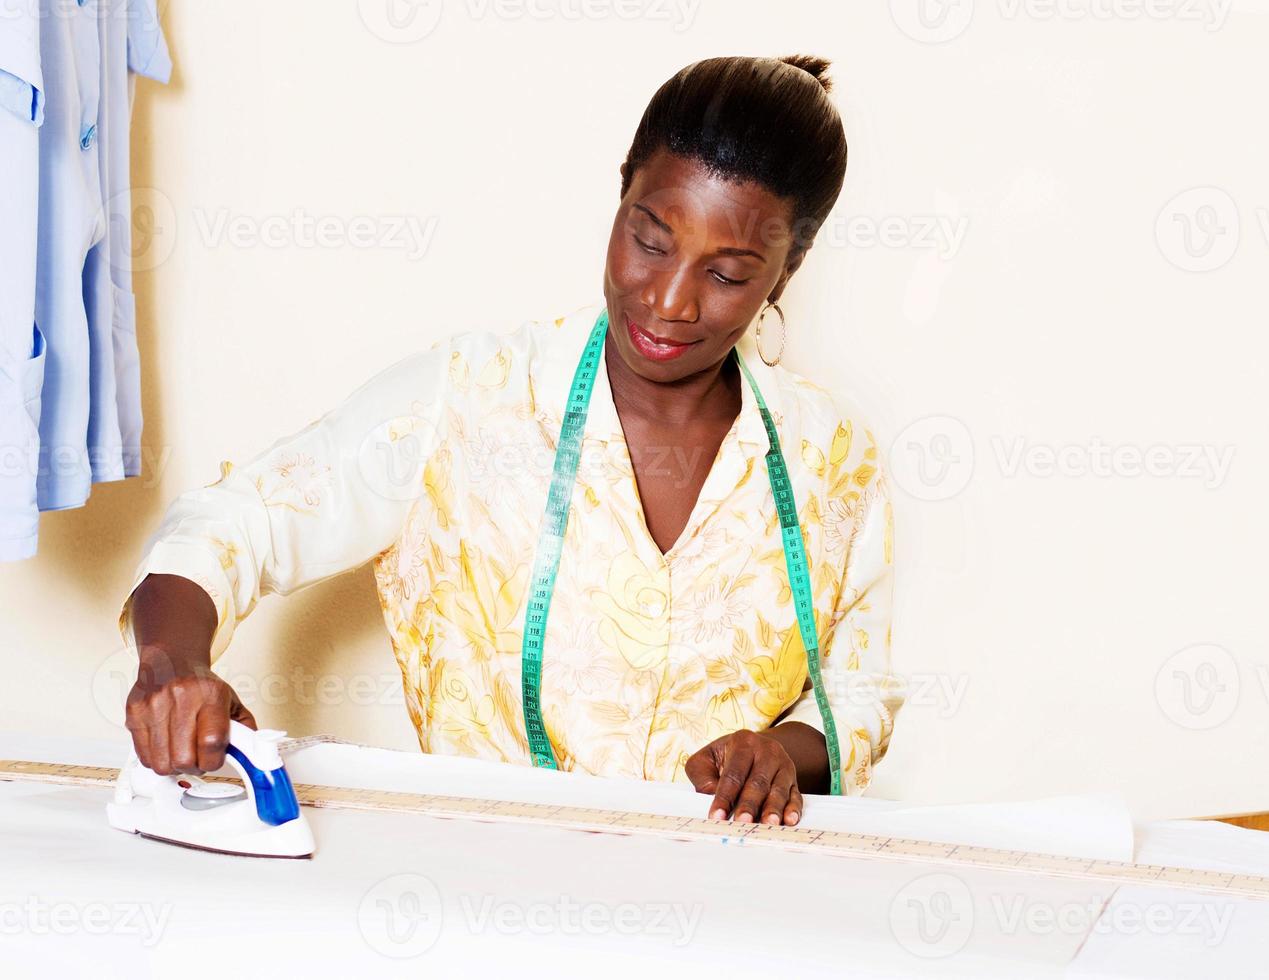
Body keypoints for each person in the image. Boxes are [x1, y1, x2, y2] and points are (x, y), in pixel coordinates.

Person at [119, 54, 904, 828]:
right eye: (650, 239)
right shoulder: (471, 400)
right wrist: (172, 662)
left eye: (728, 275)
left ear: (786, 268)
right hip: (482, 899)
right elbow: (237, 522)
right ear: (622, 190)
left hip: (724, 911)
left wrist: (783, 752)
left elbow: (857, 690)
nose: (668, 299)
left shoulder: (830, 453)